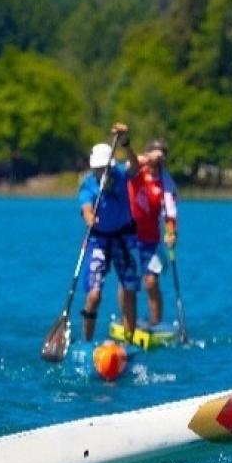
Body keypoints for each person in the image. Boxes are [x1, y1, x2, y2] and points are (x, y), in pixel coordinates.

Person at [78, 123, 140, 341]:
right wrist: (89, 218)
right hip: (99, 241)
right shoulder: (88, 185)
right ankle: (87, 341)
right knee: (94, 296)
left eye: (105, 168)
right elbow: (86, 206)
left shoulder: (120, 174)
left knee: (129, 289)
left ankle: (129, 339)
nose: (103, 172)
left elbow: (135, 166)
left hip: (123, 237)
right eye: (99, 169)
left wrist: (125, 144)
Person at [126, 140, 179, 331]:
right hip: (129, 236)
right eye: (155, 157)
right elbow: (130, 162)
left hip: (151, 240)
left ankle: (155, 324)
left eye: (161, 159)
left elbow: (170, 213)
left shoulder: (166, 182)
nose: (157, 163)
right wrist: (149, 157)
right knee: (128, 283)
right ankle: (127, 321)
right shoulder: (135, 170)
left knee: (150, 282)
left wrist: (171, 233)